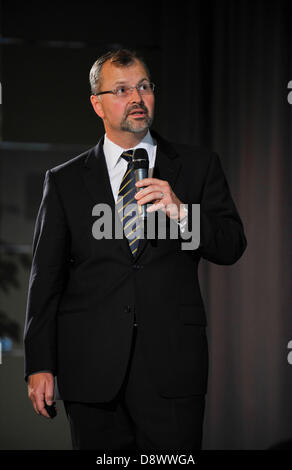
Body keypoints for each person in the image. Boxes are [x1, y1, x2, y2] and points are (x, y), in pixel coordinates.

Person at [24, 49, 247, 451]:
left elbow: (232, 246)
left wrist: (183, 213)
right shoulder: (65, 181)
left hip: (172, 367)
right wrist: (40, 363)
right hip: (91, 369)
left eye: (144, 87)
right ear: (98, 103)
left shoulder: (197, 166)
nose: (137, 98)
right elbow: (46, 280)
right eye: (122, 89)